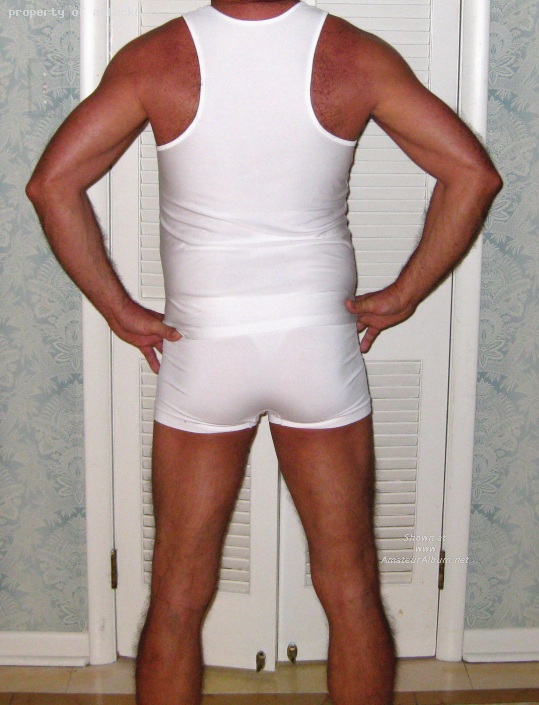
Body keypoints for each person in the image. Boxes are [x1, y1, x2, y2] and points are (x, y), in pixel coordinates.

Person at [26, 0, 502, 703]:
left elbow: (50, 184)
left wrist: (119, 309)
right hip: (315, 344)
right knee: (350, 585)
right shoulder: (355, 54)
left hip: (206, 349)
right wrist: (404, 294)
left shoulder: (155, 57)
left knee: (177, 591)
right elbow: (473, 173)